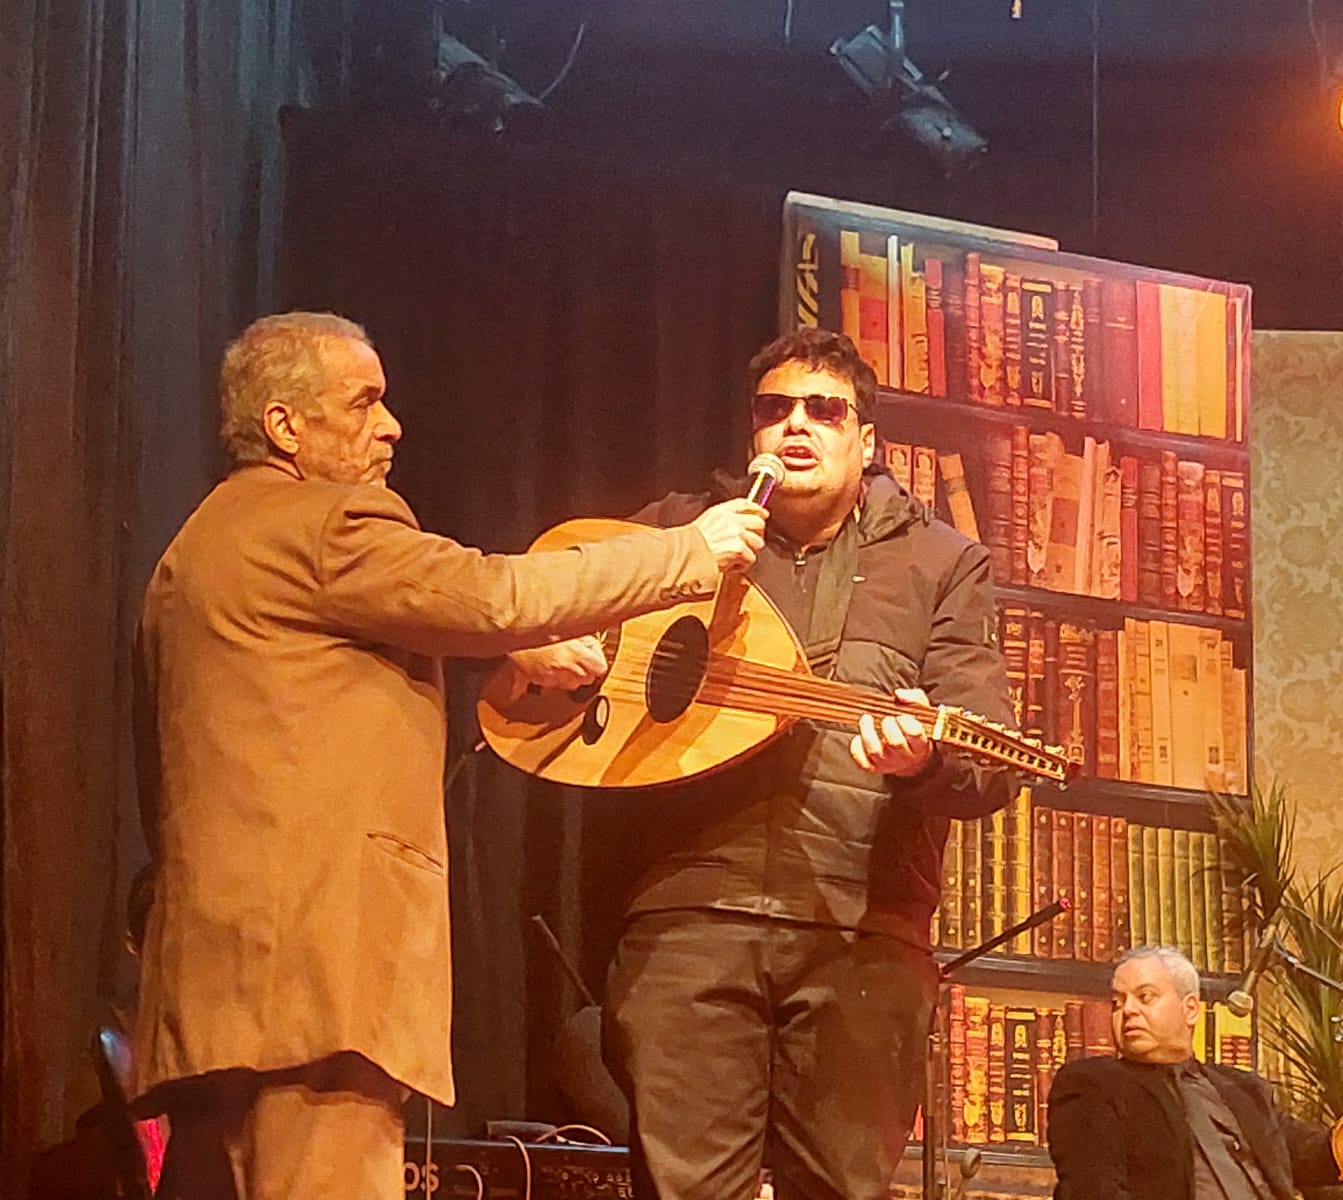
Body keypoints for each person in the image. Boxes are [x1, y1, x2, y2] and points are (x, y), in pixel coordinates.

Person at [130, 311, 766, 1200]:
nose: (390, 427)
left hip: (214, 997)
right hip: (318, 985)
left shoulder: (195, 549)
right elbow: (493, 594)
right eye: (364, 403)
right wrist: (686, 552)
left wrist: (496, 665)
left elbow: (289, 731)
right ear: (285, 426)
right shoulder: (325, 522)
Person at [517, 326, 1019, 1200]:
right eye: (774, 408)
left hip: (862, 930)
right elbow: (531, 595)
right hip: (690, 920)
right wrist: (531, 643)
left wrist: (925, 758)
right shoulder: (680, 532)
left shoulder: (941, 563)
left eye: (825, 410)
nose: (796, 425)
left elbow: (990, 761)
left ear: (866, 439)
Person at [1047, 945, 1343, 1200]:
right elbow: (1091, 1190)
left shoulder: (1244, 1089)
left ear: (1190, 1009)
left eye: (1145, 996)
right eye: (1117, 1002)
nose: (1127, 1011)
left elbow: (1312, 1157)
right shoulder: (1094, 1083)